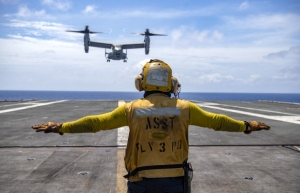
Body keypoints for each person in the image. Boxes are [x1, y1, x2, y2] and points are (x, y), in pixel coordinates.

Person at [32, 59, 270, 193]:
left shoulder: (132, 109)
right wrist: (247, 125)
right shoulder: (185, 108)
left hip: (141, 182)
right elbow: (217, 122)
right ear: (172, 83)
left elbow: (96, 123)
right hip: (176, 180)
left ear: (141, 82)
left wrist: (61, 126)